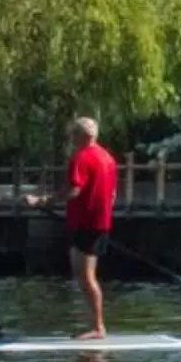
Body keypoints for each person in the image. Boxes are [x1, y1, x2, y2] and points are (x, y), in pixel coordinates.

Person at [63, 116, 118, 339]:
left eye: (73, 135)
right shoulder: (109, 159)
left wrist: (42, 200)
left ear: (81, 136)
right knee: (81, 272)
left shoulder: (81, 157)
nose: (71, 139)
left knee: (85, 276)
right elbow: (112, 195)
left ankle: (98, 327)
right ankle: (95, 325)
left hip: (86, 225)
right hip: (98, 223)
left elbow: (74, 190)